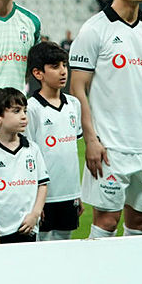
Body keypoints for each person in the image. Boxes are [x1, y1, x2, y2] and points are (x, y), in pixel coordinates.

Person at [70, 0, 142, 239]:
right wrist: (91, 139)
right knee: (107, 221)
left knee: (141, 222)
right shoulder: (94, 29)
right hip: (110, 146)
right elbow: (77, 89)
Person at [26, 41, 83, 242]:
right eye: (55, 66)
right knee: (42, 245)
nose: (63, 71)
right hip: (45, 196)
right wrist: (34, 200)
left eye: (64, 65)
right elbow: (29, 156)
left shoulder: (74, 104)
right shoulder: (31, 108)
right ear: (38, 73)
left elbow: (71, 152)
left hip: (69, 193)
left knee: (65, 244)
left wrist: (77, 193)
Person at [0, 88, 49, 244]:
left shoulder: (32, 149)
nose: (24, 116)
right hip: (1, 231)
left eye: (25, 111)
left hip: (29, 227)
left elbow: (43, 185)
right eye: (16, 111)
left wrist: (35, 215)